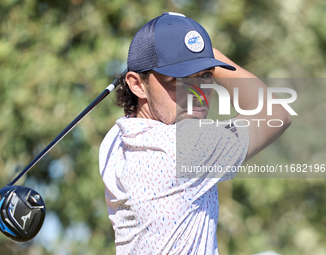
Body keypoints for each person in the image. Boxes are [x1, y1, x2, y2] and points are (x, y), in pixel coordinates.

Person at [99, 12, 291, 254]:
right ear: (137, 84)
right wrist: (206, 54)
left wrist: (192, 52)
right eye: (178, 79)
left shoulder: (115, 140)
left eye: (205, 76)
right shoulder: (186, 147)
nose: (197, 94)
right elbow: (277, 113)